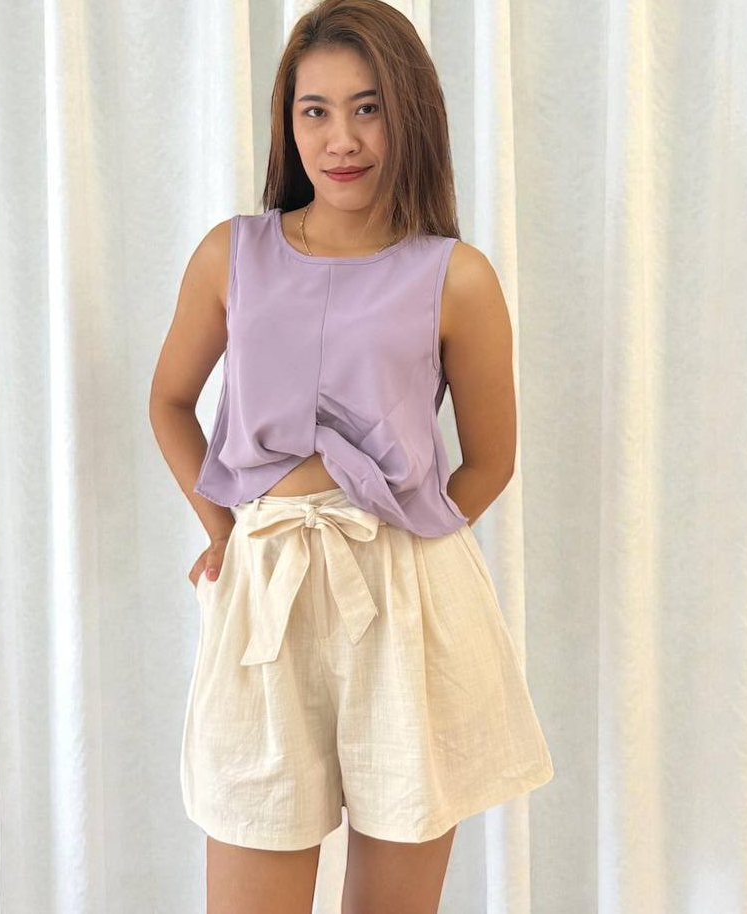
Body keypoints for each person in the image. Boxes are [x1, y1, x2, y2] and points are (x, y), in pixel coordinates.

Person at [148, 1, 554, 911]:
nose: (342, 140)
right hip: (267, 592)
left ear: (410, 114)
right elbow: (169, 401)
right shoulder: (232, 255)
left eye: (368, 108)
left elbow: (490, 460)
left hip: (405, 602)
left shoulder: (457, 276)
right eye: (316, 111)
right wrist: (224, 533)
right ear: (288, 124)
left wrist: (411, 552)